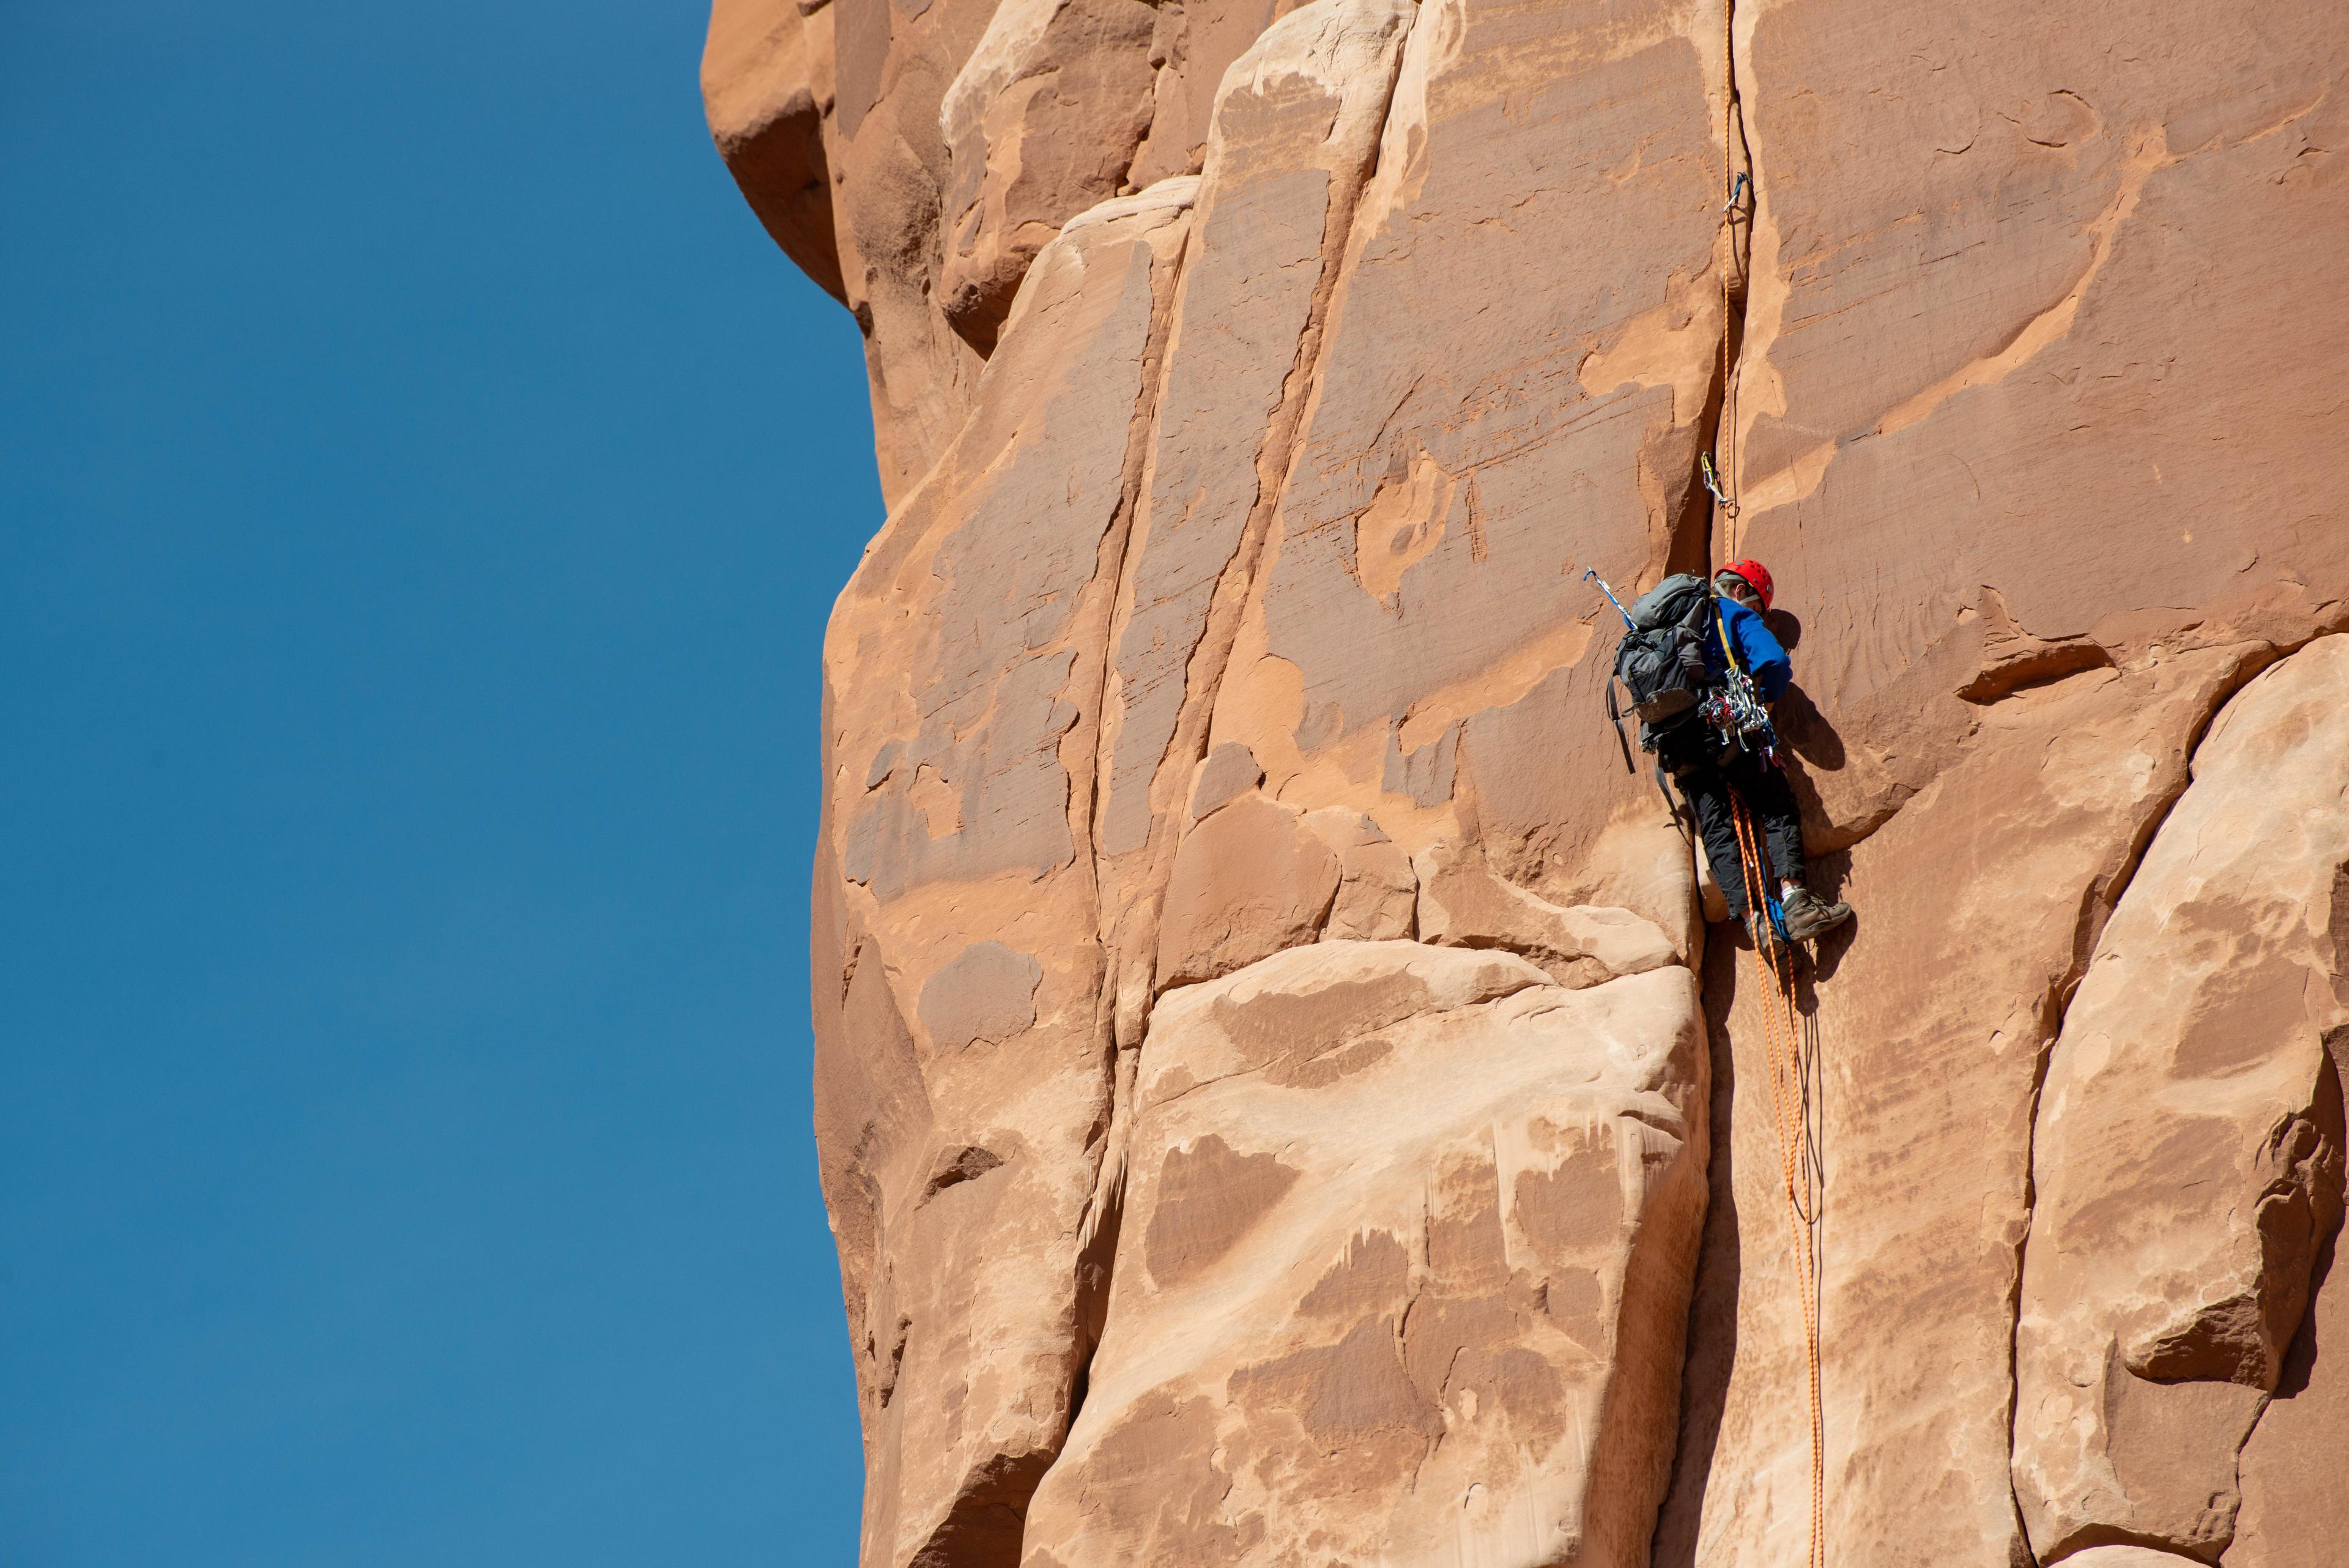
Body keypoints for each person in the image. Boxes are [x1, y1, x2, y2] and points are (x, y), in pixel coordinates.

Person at [1655, 559, 1853, 944]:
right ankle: (1797, 904)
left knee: (1716, 828)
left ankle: (1756, 926)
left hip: (1677, 744)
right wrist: (1764, 701)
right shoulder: (1730, 610)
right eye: (1759, 608)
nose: (1759, 616)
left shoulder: (1665, 627)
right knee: (1776, 804)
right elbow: (1774, 660)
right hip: (1724, 725)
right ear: (1742, 590)